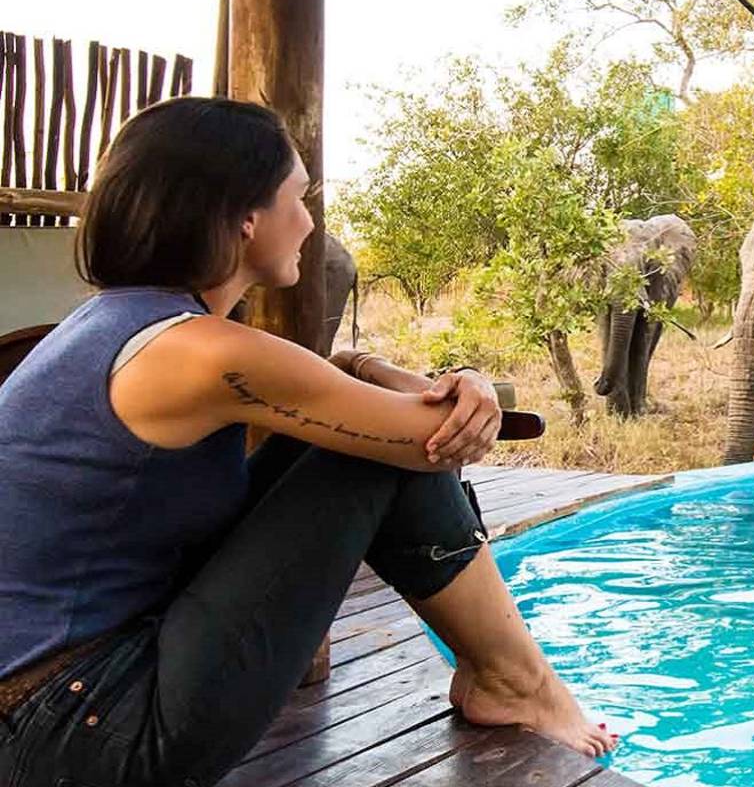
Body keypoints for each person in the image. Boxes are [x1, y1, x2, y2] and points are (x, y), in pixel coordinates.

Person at [0, 97, 615, 787]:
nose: (311, 220)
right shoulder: (200, 352)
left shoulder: (125, 324)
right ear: (244, 216)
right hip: (77, 730)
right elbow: (429, 441)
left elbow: (341, 384)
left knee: (364, 446)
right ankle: (519, 683)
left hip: (54, 701)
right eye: (301, 196)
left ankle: (507, 678)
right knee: (376, 457)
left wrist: (399, 372)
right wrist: (463, 389)